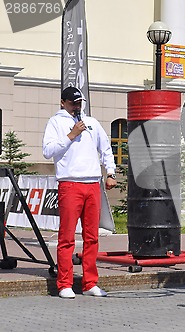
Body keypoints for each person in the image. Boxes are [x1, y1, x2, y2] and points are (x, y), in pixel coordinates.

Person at [42, 86, 117, 299]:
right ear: (63, 103)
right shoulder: (55, 122)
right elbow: (47, 151)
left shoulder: (92, 123)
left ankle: (90, 282)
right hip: (70, 183)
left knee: (92, 237)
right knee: (66, 237)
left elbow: (105, 148)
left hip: (93, 183)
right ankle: (64, 283)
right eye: (73, 103)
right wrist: (71, 135)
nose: (77, 107)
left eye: (79, 103)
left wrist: (110, 172)